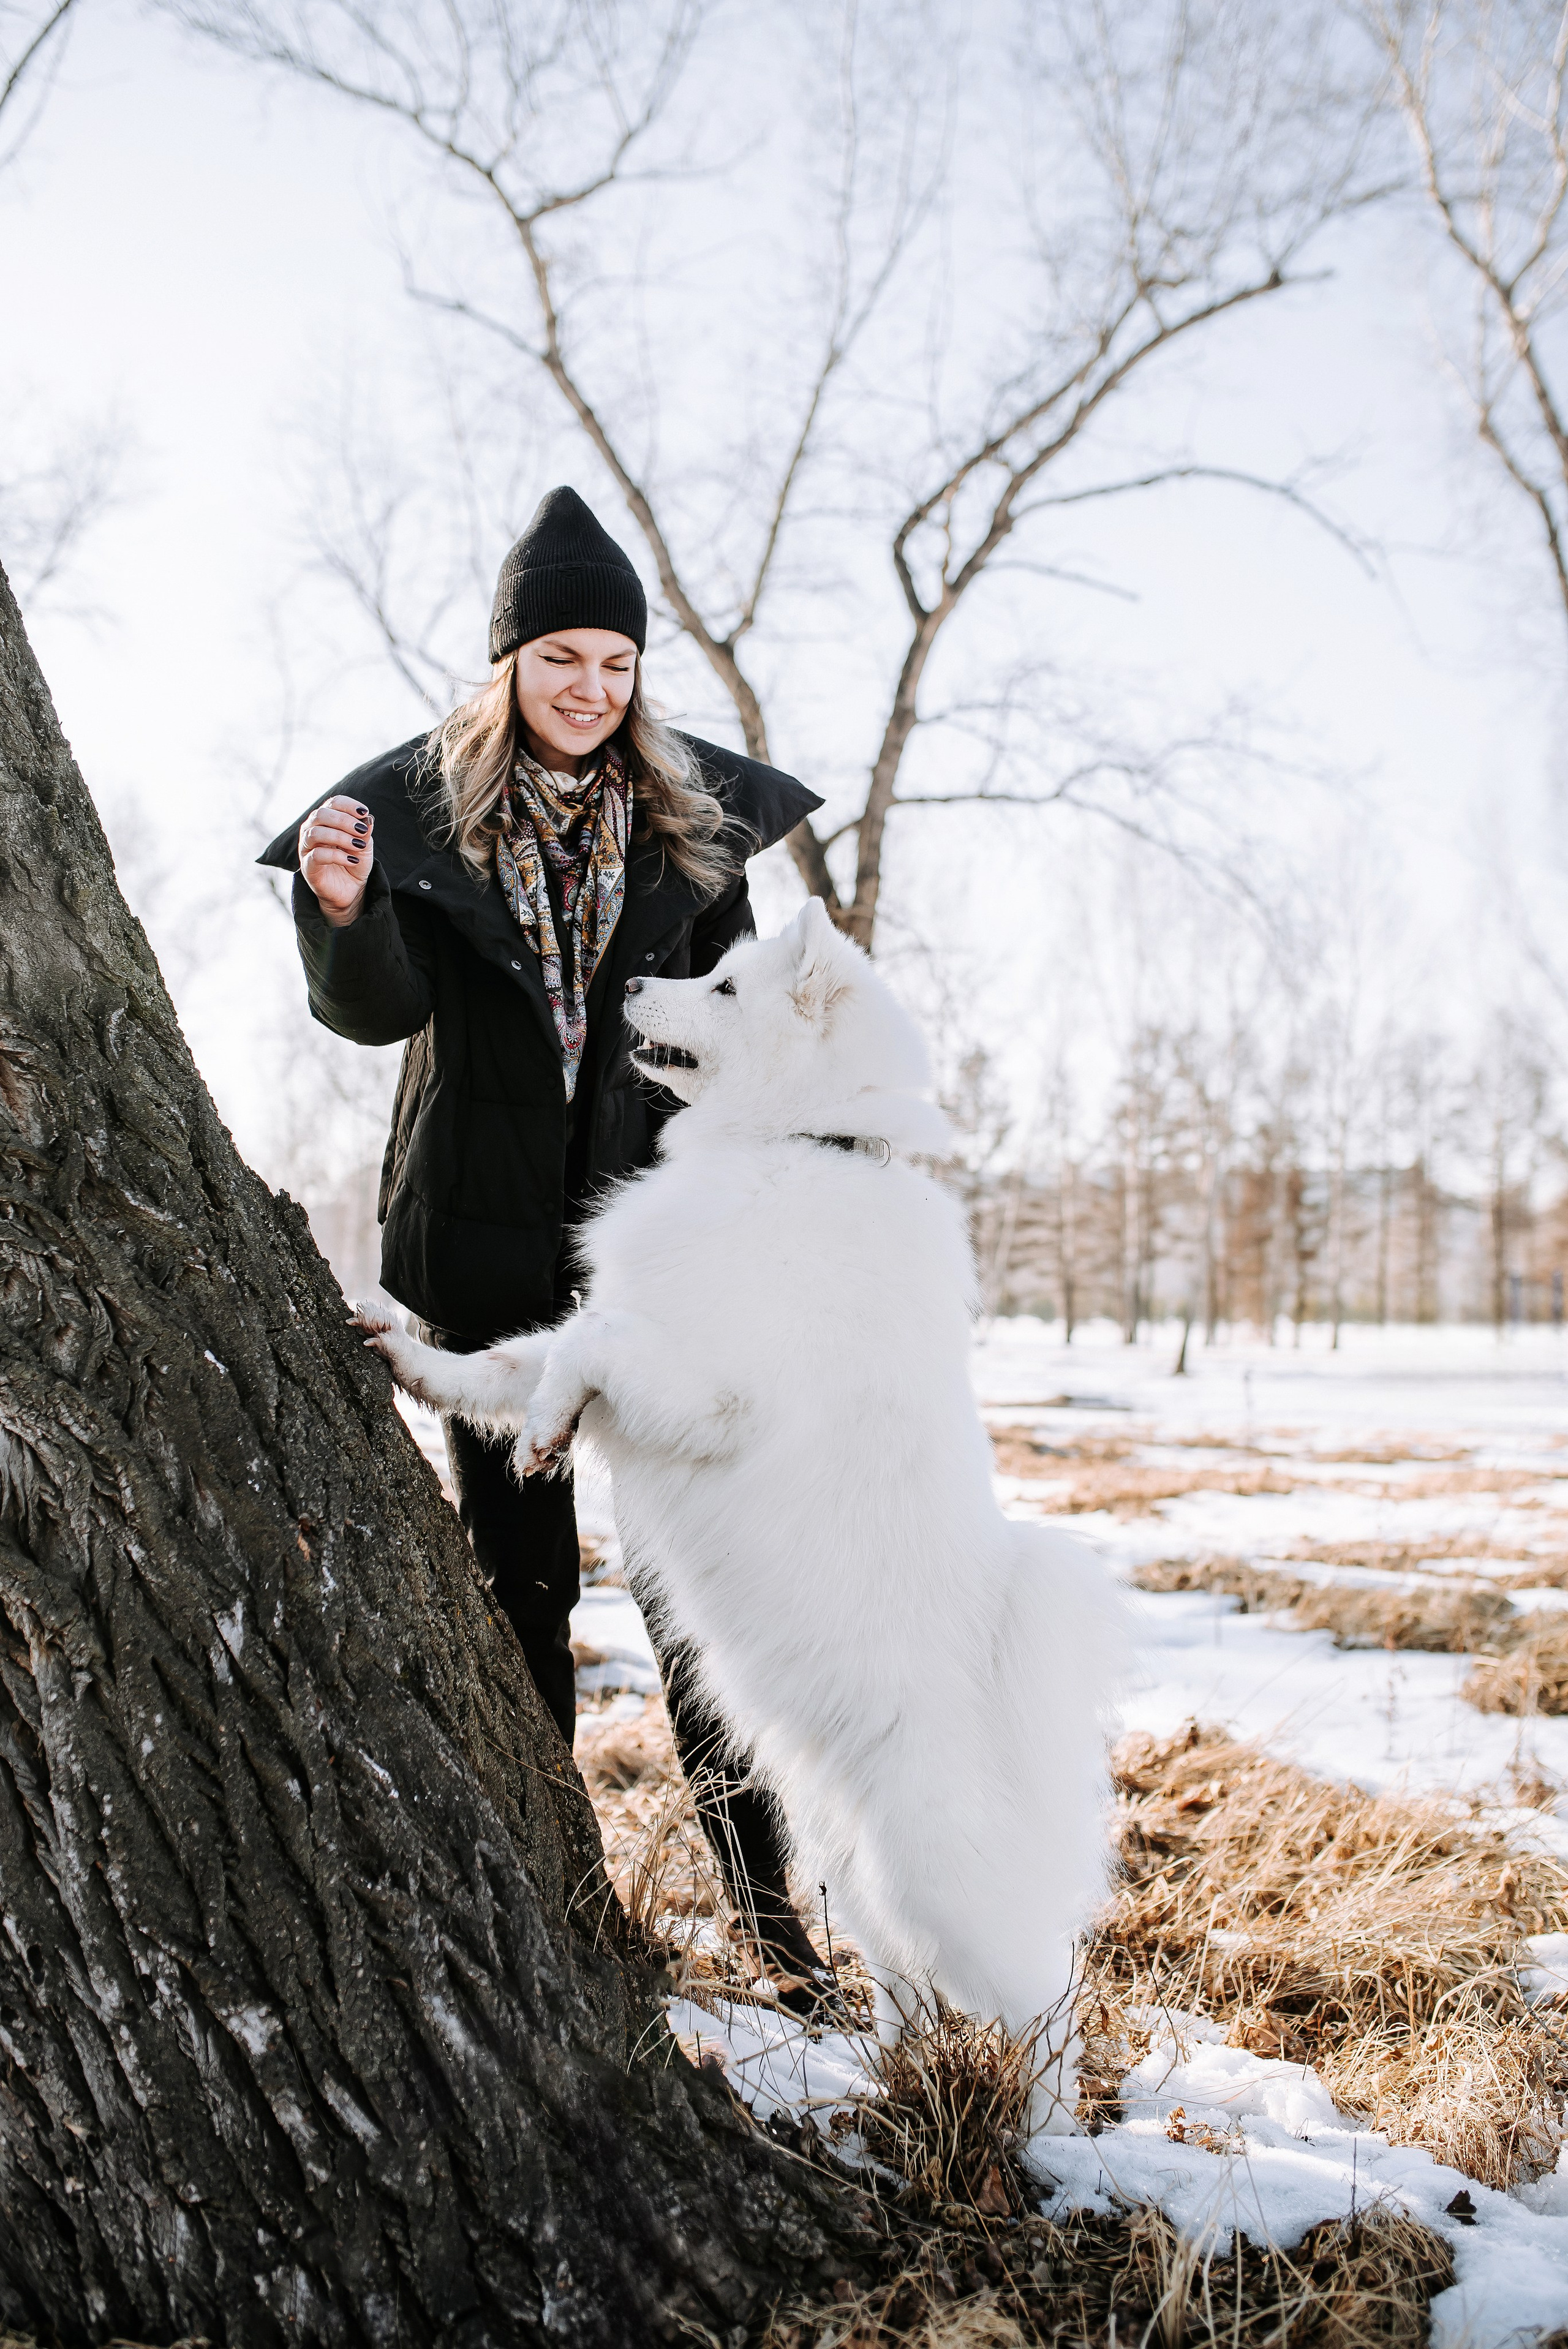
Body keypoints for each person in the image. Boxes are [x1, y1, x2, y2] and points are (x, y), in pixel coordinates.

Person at [260, 485, 829, 1994]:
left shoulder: (693, 832)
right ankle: (568, 1911)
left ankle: (771, 1920)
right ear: (507, 665)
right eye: (560, 657)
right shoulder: (421, 822)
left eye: (615, 663)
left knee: (696, 1595)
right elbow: (378, 1012)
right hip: (486, 1269)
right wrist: (340, 908)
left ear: (639, 678)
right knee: (520, 1596)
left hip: (652, 1268)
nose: (590, 688)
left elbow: (736, 1034)